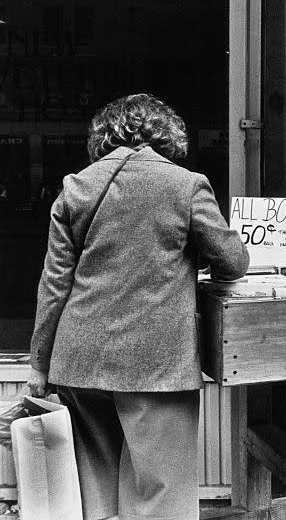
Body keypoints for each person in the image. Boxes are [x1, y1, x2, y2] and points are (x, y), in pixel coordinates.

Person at [27, 93, 249, 520]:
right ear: (168, 136)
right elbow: (233, 261)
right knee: (158, 496)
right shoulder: (186, 185)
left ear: (104, 137)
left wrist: (39, 364)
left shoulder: (76, 187)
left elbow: (54, 284)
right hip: (156, 365)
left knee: (94, 491)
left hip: (80, 360)